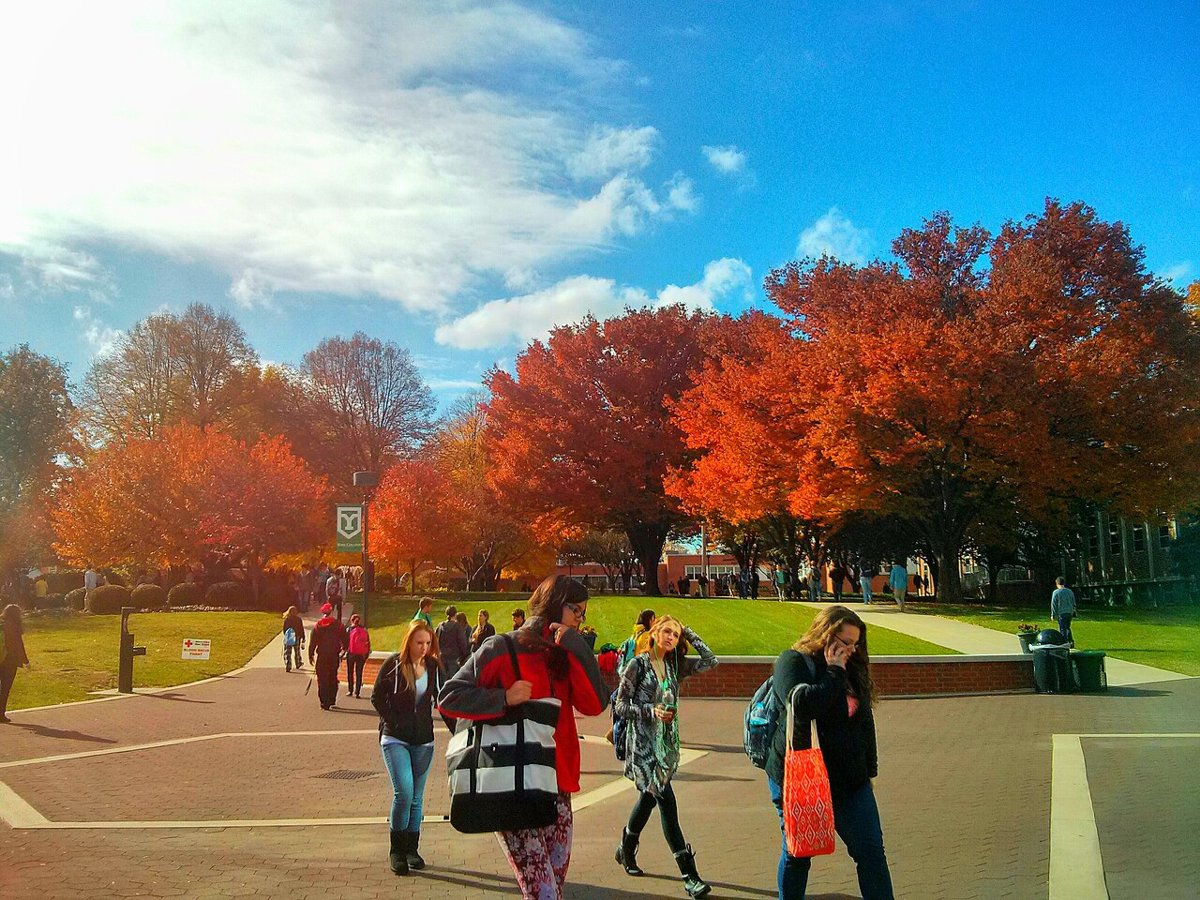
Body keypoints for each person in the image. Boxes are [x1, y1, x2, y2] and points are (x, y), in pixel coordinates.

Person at [439, 575, 608, 900]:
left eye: (582, 614)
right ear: (557, 605)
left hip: (558, 785)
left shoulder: (564, 652)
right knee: (543, 892)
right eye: (577, 611)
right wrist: (504, 698)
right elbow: (450, 695)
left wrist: (577, 646)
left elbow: (596, 703)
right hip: (512, 783)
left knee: (551, 887)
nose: (580, 619)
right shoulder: (501, 647)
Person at [765, 605, 894, 900]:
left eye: (856, 643)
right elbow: (804, 706)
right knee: (799, 852)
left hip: (850, 780)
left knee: (871, 851)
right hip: (801, 777)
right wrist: (834, 671)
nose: (851, 649)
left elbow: (864, 721)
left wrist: (869, 770)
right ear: (826, 634)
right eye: (845, 642)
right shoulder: (793, 661)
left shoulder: (854, 667)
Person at [614, 615, 718, 897]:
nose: (671, 637)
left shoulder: (674, 665)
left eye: (676, 634)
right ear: (655, 632)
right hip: (644, 748)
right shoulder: (638, 664)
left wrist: (691, 633)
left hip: (667, 746)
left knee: (648, 799)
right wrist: (650, 711)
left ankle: (625, 847)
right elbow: (621, 705)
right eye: (667, 631)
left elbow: (711, 661)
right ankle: (689, 876)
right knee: (667, 805)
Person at [372, 621, 443, 876]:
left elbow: (443, 698)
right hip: (395, 739)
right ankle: (397, 851)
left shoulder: (433, 666)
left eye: (427, 643)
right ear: (409, 642)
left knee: (416, 798)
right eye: (419, 642)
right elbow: (377, 697)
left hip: (423, 740)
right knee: (404, 791)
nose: (424, 648)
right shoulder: (393, 664)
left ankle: (412, 849)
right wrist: (394, 721)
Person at [308, 603, 347, 710]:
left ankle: (324, 702)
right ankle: (332, 699)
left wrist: (310, 654)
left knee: (322, 678)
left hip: (322, 655)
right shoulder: (338, 624)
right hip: (334, 654)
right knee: (333, 676)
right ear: (331, 611)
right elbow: (345, 638)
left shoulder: (318, 625)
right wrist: (344, 649)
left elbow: (313, 641)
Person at [1, 604, 31, 724]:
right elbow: (19, 646)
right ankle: (0, 714)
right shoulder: (14, 627)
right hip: (9, 661)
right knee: (5, 689)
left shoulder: (1, 625)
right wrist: (26, 661)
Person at [618, 609, 656, 676]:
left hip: (631, 667)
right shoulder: (647, 636)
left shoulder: (636, 632)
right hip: (640, 671)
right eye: (653, 619)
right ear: (649, 621)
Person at [436, 606, 469, 680]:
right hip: (453, 657)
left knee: (442, 680)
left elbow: (435, 639)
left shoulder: (440, 626)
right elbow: (462, 642)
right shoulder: (457, 627)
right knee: (453, 680)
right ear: (455, 614)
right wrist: (464, 654)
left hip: (442, 656)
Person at [346, 614, 372, 698]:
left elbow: (346, 642)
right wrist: (366, 654)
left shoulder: (349, 629)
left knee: (350, 672)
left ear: (351, 621)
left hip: (351, 653)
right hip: (361, 655)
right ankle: (357, 692)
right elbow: (368, 643)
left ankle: (350, 690)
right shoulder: (364, 630)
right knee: (359, 673)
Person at [1050, 577, 1078, 647]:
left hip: (1061, 613)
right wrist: (1074, 610)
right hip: (1069, 612)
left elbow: (1053, 604)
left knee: (1062, 628)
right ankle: (1071, 642)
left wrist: (1053, 614)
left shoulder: (1056, 592)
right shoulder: (1069, 591)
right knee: (1067, 627)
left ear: (1057, 583)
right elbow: (1073, 602)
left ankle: (1064, 643)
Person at [282, 605, 306, 673]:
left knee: (288, 652)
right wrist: (303, 637)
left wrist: (286, 636)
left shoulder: (287, 619)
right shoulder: (298, 619)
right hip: (297, 637)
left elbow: (284, 629)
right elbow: (301, 629)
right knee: (297, 651)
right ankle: (298, 663)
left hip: (289, 637)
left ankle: (288, 665)